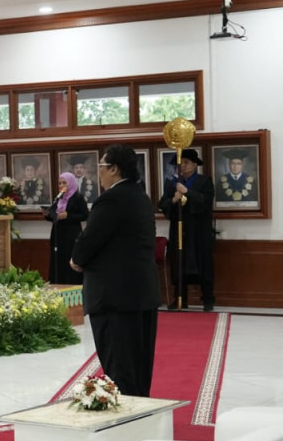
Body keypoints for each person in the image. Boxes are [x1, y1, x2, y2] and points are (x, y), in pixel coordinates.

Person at [70, 144, 158, 397]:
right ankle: (140, 409)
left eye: (101, 166)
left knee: (120, 364)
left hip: (115, 297)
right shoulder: (140, 195)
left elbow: (90, 239)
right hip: (141, 292)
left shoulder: (111, 199)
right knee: (139, 362)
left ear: (114, 169)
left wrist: (77, 259)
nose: (99, 172)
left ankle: (126, 418)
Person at [158, 148, 215, 311]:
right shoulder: (172, 184)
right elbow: (163, 204)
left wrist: (187, 192)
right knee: (178, 264)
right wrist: (174, 199)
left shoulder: (204, 181)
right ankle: (179, 299)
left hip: (199, 230)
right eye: (181, 163)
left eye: (187, 162)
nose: (183, 166)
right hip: (179, 230)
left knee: (203, 264)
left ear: (195, 165)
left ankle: (208, 299)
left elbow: (205, 202)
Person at [45, 172, 88, 284]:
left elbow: (85, 215)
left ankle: (73, 285)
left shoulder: (78, 197)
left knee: (70, 259)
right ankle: (58, 283)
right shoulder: (59, 197)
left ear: (71, 183)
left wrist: (68, 216)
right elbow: (54, 215)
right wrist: (48, 215)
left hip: (71, 234)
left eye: (64, 183)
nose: (61, 185)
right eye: (59, 183)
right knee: (58, 260)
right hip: (58, 234)